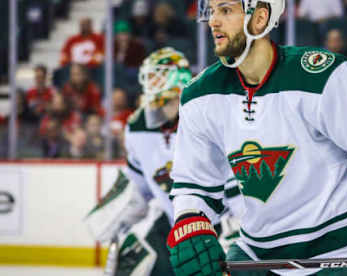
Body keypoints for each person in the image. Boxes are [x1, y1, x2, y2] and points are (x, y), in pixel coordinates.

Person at [167, 0, 347, 276]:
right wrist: (190, 221)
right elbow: (193, 184)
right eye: (211, 10)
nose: (213, 21)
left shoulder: (323, 76)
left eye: (226, 9)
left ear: (259, 18)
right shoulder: (199, 96)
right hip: (257, 253)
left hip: (344, 252)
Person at [85, 47, 243, 276]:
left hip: (213, 224)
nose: (150, 82)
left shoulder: (207, 117)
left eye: (156, 75)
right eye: (148, 76)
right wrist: (123, 213)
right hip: (171, 222)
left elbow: (233, 182)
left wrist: (239, 228)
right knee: (131, 262)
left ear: (178, 79)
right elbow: (139, 184)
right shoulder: (137, 126)